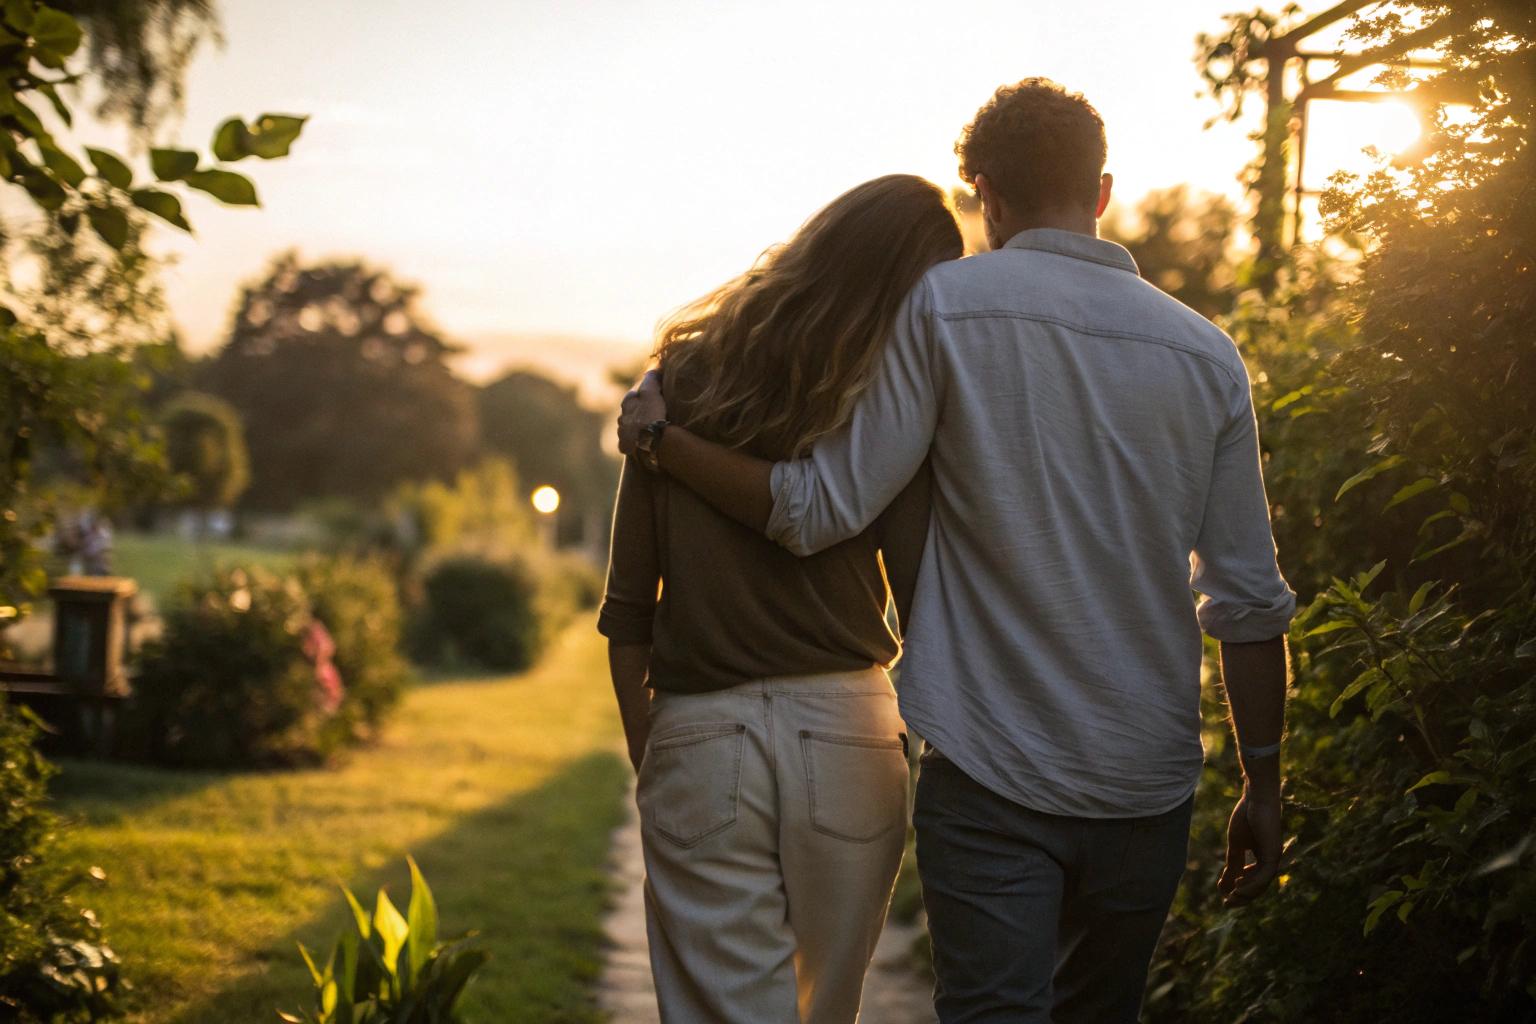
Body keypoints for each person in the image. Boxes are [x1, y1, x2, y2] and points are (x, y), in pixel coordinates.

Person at [618, 78, 1296, 1024]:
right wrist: (1264, 779)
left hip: (988, 770)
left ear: (987, 195)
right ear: (1102, 192)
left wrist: (662, 442)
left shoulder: (945, 308)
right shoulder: (1207, 355)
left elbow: (816, 509)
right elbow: (1249, 602)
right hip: (1145, 780)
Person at [599, 174, 964, 1024]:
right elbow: (919, 599)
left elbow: (628, 606)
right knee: (824, 1011)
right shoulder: (892, 404)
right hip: (847, 734)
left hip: (701, 731)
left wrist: (649, 748)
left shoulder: (675, 386)